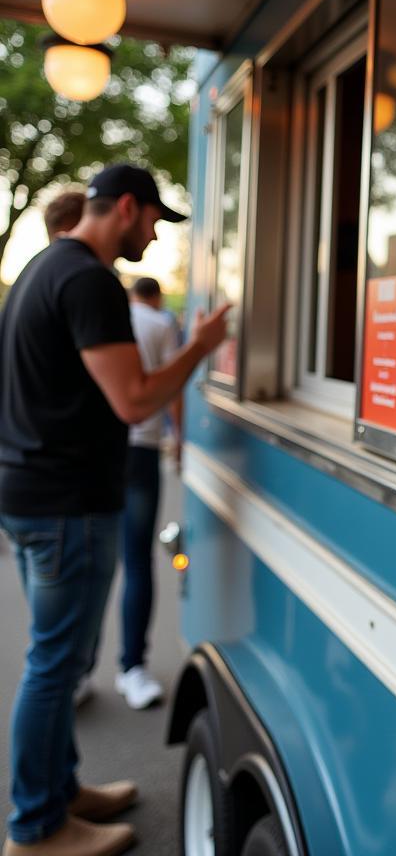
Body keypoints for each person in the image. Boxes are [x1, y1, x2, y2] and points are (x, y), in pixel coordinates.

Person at [0, 164, 229, 856]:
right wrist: (199, 347)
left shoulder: (44, 268)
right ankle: (37, 827)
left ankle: (61, 792)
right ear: (126, 208)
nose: (156, 236)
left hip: (35, 494)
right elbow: (134, 401)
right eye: (156, 220)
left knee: (56, 660)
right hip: (65, 504)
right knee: (55, 664)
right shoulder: (89, 280)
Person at [114, 277, 181, 710]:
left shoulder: (110, 319)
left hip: (98, 450)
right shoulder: (159, 324)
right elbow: (172, 390)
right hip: (140, 450)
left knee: (92, 565)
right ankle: (131, 667)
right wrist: (182, 440)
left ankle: (77, 672)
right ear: (155, 296)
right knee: (137, 562)